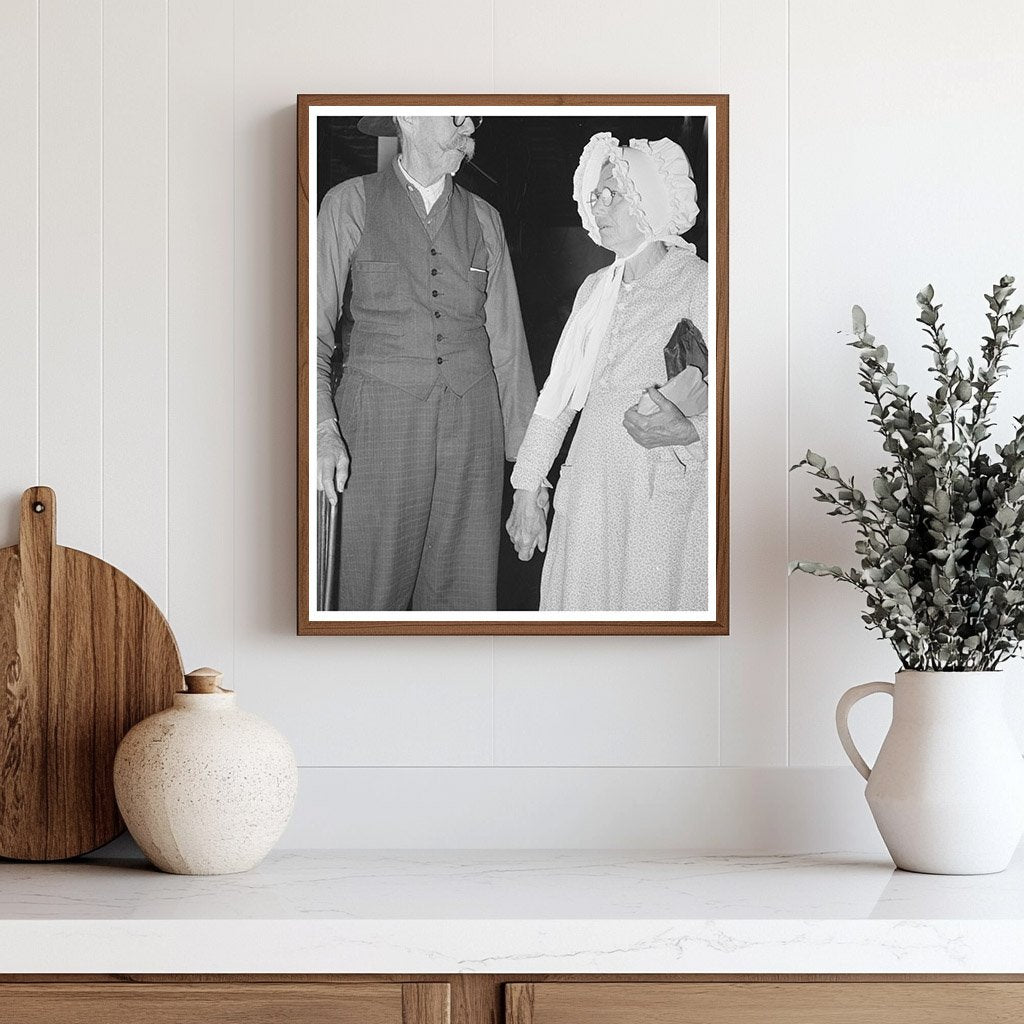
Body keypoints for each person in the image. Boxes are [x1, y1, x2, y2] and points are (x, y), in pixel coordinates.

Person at [316, 115, 537, 611]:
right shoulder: (348, 203)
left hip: (474, 443)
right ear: (409, 118)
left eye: (474, 117)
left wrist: (529, 478)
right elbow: (309, 333)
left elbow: (510, 350)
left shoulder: (485, 219)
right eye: (456, 114)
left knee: (465, 606)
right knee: (365, 601)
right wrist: (322, 426)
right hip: (375, 439)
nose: (470, 126)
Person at [505, 132, 710, 611]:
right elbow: (556, 399)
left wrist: (688, 430)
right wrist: (527, 488)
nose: (597, 206)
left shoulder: (702, 284)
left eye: (611, 194)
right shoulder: (594, 289)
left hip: (657, 497)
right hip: (590, 492)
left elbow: (747, 412)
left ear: (650, 198)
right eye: (593, 196)